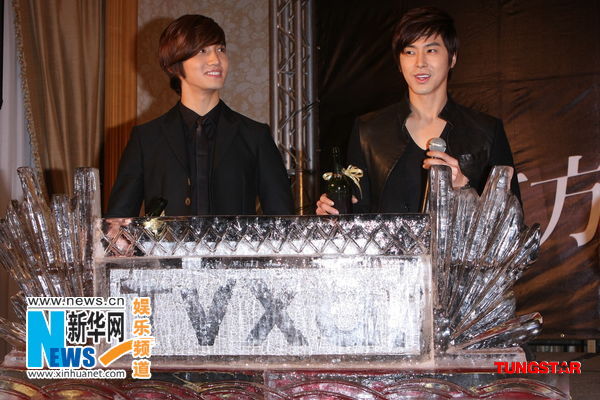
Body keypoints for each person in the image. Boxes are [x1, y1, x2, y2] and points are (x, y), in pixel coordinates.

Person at [316, 7, 521, 215]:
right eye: (410, 52)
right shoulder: (368, 131)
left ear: (452, 58)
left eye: (431, 50)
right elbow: (357, 211)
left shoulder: (486, 131)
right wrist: (334, 214)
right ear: (399, 62)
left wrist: (464, 189)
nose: (420, 63)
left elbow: (511, 221)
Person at [106, 14, 293, 217]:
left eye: (220, 49)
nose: (215, 60)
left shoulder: (255, 136)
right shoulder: (146, 139)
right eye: (202, 51)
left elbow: (283, 221)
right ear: (172, 65)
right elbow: (118, 222)